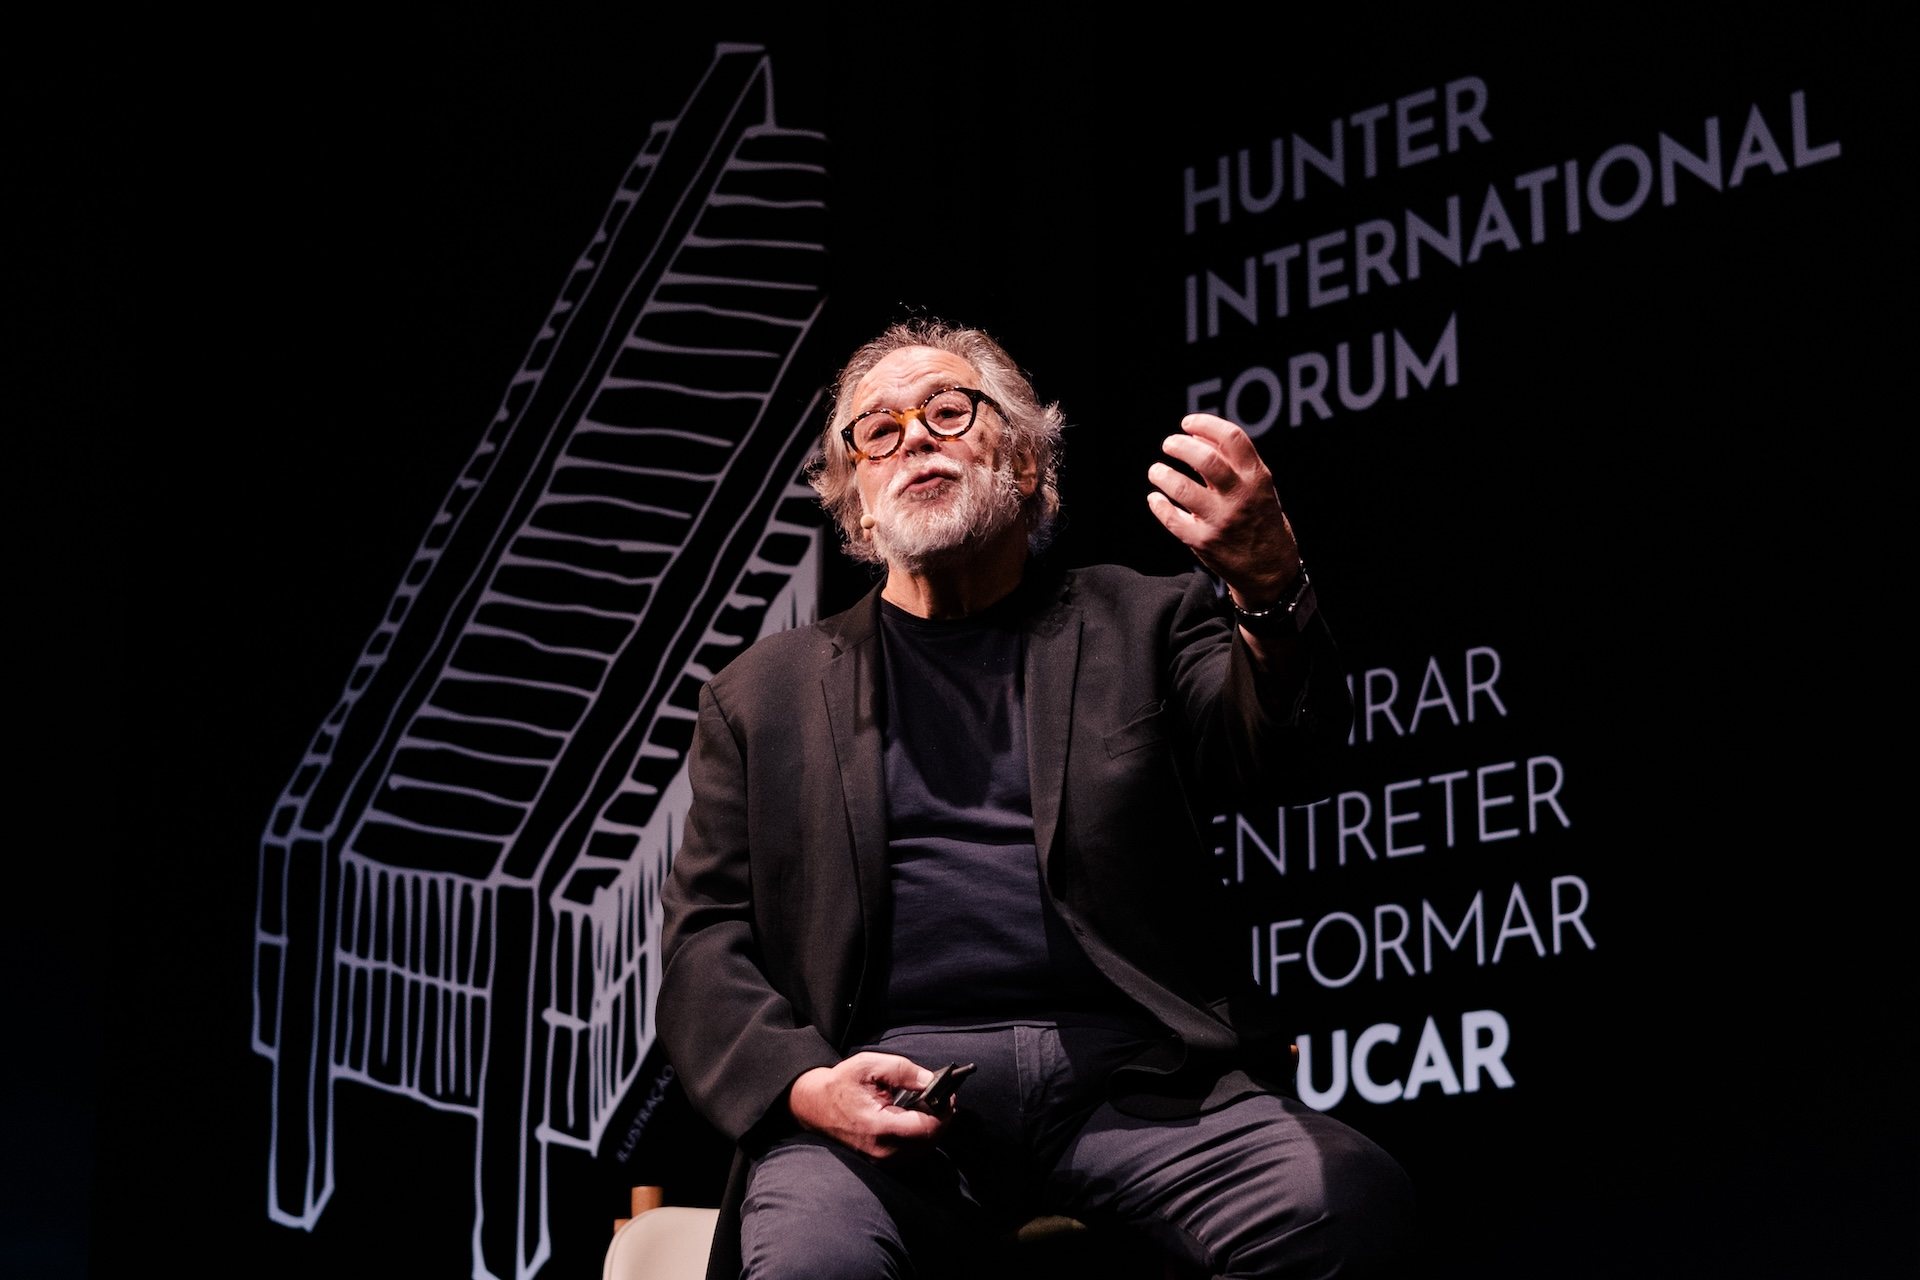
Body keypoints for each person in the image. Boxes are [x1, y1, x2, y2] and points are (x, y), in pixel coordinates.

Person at [656, 318, 1414, 1279]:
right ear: (857, 510)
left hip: (1140, 1084)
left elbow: (1286, 763)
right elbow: (703, 943)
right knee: (811, 1265)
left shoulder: (1145, 620)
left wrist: (1269, 588)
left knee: (1341, 1203)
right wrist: (807, 1085)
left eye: (947, 411)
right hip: (887, 1088)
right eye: (878, 431)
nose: (914, 439)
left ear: (1022, 464)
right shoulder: (759, 698)